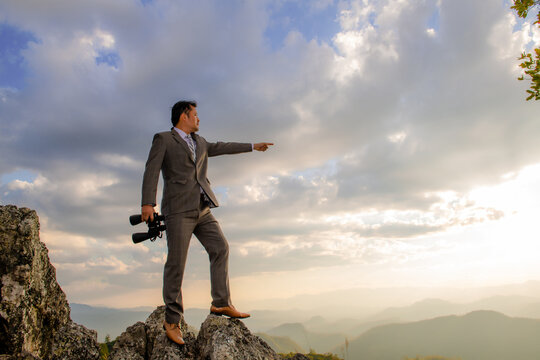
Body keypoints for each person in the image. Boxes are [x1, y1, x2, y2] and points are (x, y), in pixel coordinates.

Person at [141, 100, 273, 345]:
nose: (198, 119)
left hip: (203, 209)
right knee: (177, 264)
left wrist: (253, 146)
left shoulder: (200, 142)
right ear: (184, 116)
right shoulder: (164, 140)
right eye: (195, 115)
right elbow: (151, 170)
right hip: (178, 211)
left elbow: (223, 147)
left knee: (220, 247)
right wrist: (148, 203)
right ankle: (172, 320)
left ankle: (221, 303)